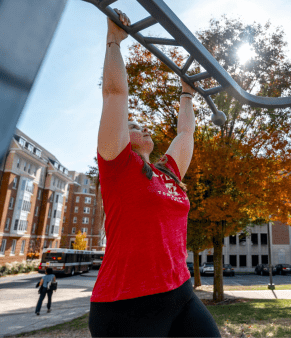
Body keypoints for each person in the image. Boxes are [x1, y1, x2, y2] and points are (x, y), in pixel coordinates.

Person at [88, 9, 221, 338]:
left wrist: (186, 93)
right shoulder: (118, 164)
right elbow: (116, 95)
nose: (142, 126)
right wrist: (114, 41)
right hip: (127, 305)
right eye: (133, 125)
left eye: (143, 124)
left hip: (180, 291)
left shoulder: (168, 172)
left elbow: (185, 135)